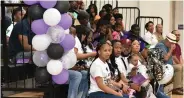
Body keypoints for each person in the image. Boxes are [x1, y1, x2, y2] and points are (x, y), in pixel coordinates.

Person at [171, 30, 183, 95]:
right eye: (176, 35)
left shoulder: (178, 45)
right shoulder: (172, 45)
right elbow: (173, 57)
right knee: (180, 67)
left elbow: (180, 56)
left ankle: (180, 86)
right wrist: (180, 64)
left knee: (182, 66)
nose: (178, 36)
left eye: (179, 35)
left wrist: (182, 63)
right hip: (171, 64)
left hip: (177, 63)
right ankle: (176, 88)